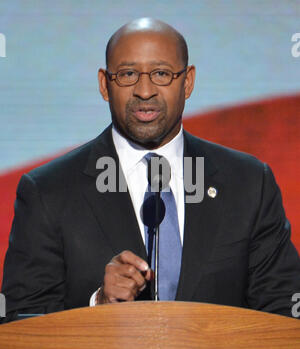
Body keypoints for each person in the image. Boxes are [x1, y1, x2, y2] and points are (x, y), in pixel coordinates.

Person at [1, 18, 300, 323]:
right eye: (128, 74)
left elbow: (284, 314)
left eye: (161, 74)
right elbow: (19, 322)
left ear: (188, 82)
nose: (145, 91)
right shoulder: (47, 192)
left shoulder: (248, 183)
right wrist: (97, 307)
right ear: (105, 84)